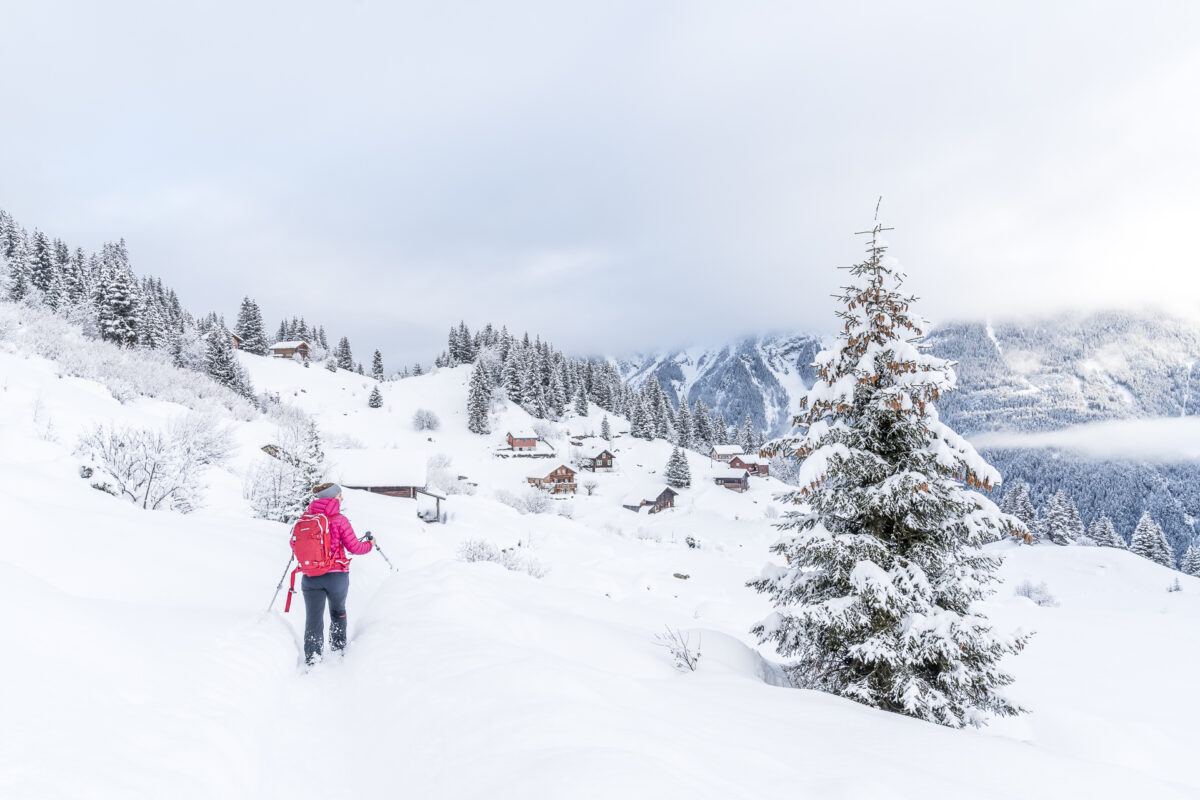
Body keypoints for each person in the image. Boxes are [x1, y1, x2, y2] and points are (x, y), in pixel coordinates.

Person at [301, 482, 373, 665]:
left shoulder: (306, 518)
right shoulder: (339, 519)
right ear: (333, 497)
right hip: (336, 576)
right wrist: (370, 545)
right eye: (340, 495)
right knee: (338, 611)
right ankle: (337, 649)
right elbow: (355, 548)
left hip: (310, 576)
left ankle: (313, 658)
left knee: (313, 619)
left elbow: (295, 545)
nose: (342, 498)